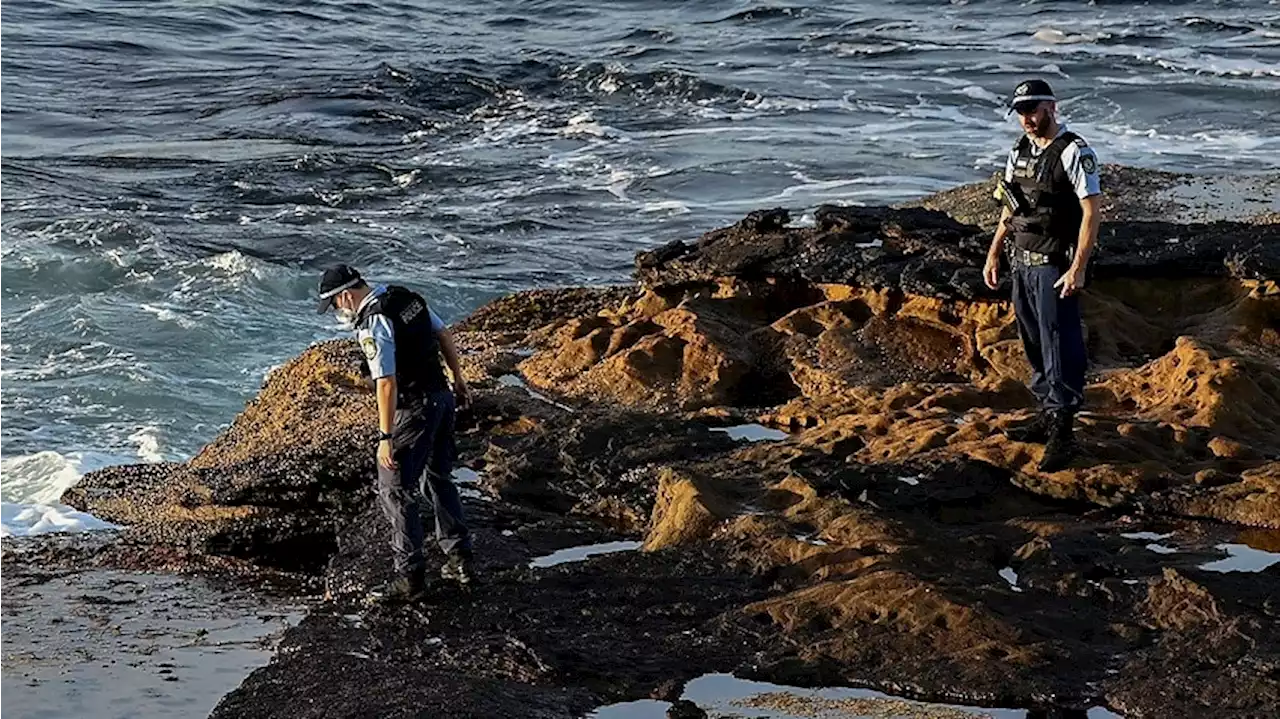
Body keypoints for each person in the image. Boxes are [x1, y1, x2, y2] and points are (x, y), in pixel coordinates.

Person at [316, 264, 475, 601]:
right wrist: (459, 380)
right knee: (439, 478)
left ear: (345, 295)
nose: (337, 312)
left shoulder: (373, 321)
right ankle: (461, 561)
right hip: (442, 397)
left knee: (396, 490)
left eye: (334, 305)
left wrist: (385, 438)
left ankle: (410, 578)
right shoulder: (404, 297)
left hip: (414, 409)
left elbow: (386, 382)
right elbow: (443, 334)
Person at [982, 79, 1101, 472]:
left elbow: (1090, 212)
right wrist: (994, 251)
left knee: (1060, 347)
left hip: (1054, 266)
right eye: (1021, 112)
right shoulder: (1019, 151)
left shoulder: (1073, 151)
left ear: (1053, 106)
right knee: (1033, 342)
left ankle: (1064, 432)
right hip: (1021, 263)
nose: (1027, 118)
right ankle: (1046, 416)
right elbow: (1010, 206)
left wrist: (1078, 268)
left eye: (1034, 109)